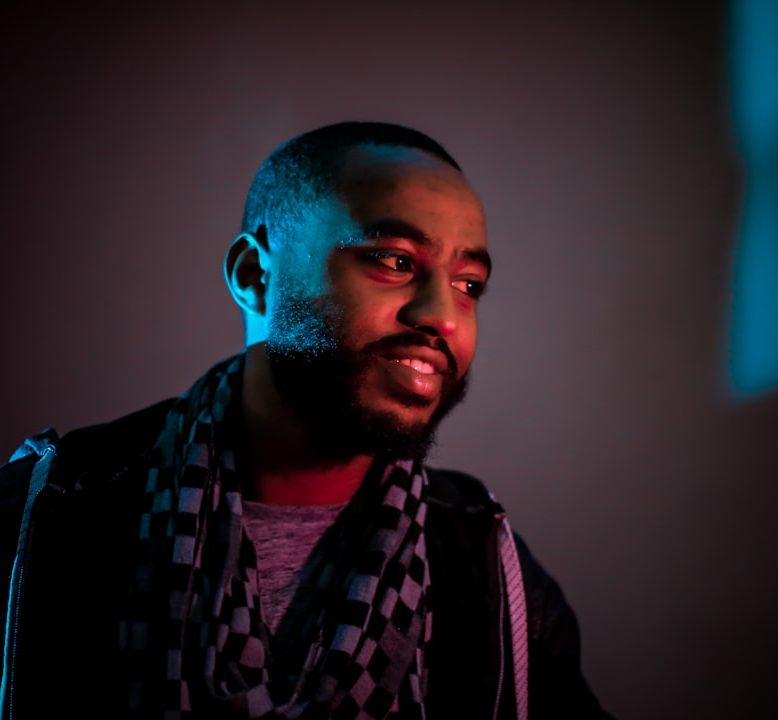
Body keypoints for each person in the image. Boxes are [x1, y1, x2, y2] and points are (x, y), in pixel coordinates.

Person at [0, 122, 611, 719]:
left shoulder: (488, 568)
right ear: (254, 275)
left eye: (468, 284)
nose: (442, 315)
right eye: (392, 260)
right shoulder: (52, 514)